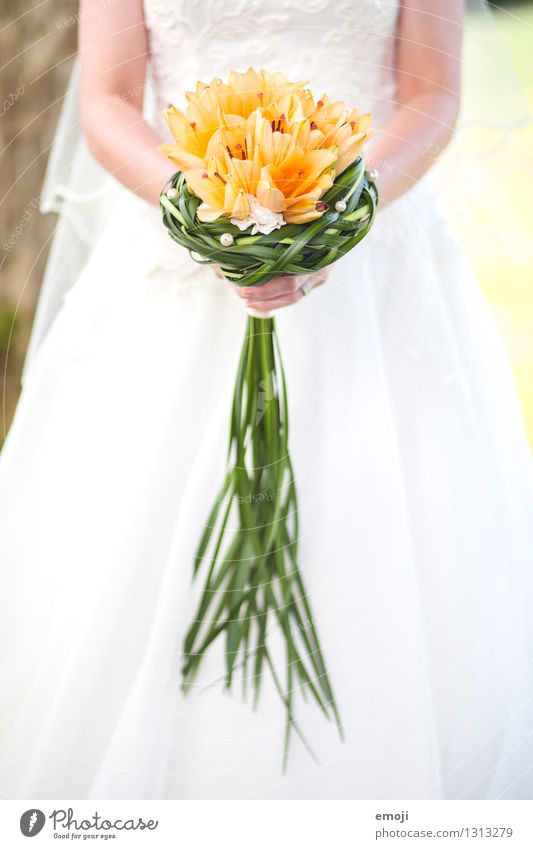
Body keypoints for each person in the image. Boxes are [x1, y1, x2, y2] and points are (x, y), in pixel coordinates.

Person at [0, 0, 532, 800]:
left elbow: (430, 94)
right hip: (172, 254)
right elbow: (108, 99)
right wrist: (211, 221)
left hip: (373, 260)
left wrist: (333, 221)